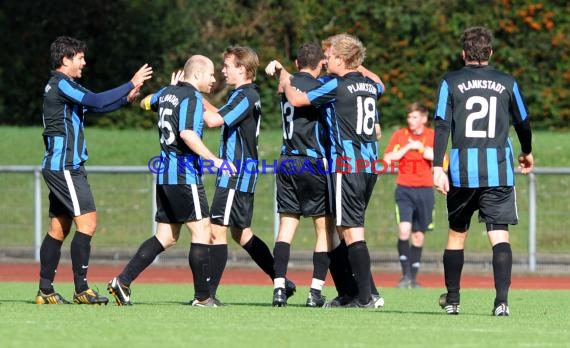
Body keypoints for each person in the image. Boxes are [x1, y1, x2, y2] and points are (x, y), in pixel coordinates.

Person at [106, 55, 233, 307]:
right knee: (202, 231)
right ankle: (203, 297)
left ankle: (123, 281)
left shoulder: (166, 92)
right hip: (184, 174)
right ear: (196, 75)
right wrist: (214, 160)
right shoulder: (193, 98)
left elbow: (144, 102)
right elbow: (187, 133)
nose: (214, 80)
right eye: (210, 75)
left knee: (166, 236)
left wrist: (169, 90)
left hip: (165, 175)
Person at [36, 36, 152, 305]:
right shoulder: (62, 84)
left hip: (62, 165)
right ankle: (82, 289)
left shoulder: (65, 86)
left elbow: (94, 105)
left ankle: (45, 291)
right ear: (65, 60)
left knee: (58, 228)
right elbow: (97, 100)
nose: (84, 62)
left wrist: (125, 99)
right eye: (79, 57)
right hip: (64, 166)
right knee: (88, 223)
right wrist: (131, 83)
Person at [433, 26, 534, 316]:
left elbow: (441, 124)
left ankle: (452, 300)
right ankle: (501, 302)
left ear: (464, 53)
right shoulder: (507, 82)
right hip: (498, 171)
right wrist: (526, 152)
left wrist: (437, 166)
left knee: (456, 235)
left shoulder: (449, 81)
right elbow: (523, 123)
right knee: (499, 235)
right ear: (490, 52)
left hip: (462, 172)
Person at [278, 34, 384, 308]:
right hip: (370, 164)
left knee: (349, 230)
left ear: (343, 59)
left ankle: (366, 297)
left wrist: (285, 78)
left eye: (332, 55)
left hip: (346, 165)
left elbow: (299, 100)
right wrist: (357, 63)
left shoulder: (336, 86)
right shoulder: (370, 85)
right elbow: (381, 84)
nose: (326, 60)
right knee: (343, 228)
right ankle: (355, 292)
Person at [203, 46, 296, 304]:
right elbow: (217, 114)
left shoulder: (245, 96)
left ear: (242, 69)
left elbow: (213, 121)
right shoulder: (243, 95)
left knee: (215, 231)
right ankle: (281, 279)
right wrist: (195, 95)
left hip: (235, 173)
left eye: (227, 66)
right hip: (242, 173)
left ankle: (207, 295)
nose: (223, 70)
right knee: (241, 233)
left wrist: (190, 93)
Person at [264, 43, 332, 307]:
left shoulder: (287, 83)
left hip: (287, 160)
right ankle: (315, 292)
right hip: (311, 160)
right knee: (323, 228)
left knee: (286, 227)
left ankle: (279, 287)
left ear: (296, 63)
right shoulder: (320, 86)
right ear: (320, 64)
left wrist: (281, 68)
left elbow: (285, 81)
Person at [383, 102, 434, 288]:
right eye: (409, 117)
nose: (410, 121)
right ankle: (405, 276)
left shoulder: (432, 135)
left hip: (425, 190)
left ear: (424, 118)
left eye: (414, 117)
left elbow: (440, 159)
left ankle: (413, 277)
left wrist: (421, 148)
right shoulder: (400, 135)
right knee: (404, 230)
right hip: (404, 189)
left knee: (418, 236)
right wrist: (408, 147)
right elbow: (388, 158)